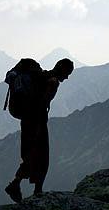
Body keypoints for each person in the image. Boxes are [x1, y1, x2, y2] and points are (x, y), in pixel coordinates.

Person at [5, 58, 74, 202]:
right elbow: (42, 103)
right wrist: (38, 124)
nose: (67, 77)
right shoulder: (52, 82)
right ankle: (35, 190)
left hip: (27, 118)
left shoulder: (40, 77)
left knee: (30, 153)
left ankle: (17, 184)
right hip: (37, 121)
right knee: (42, 156)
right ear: (61, 68)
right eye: (67, 73)